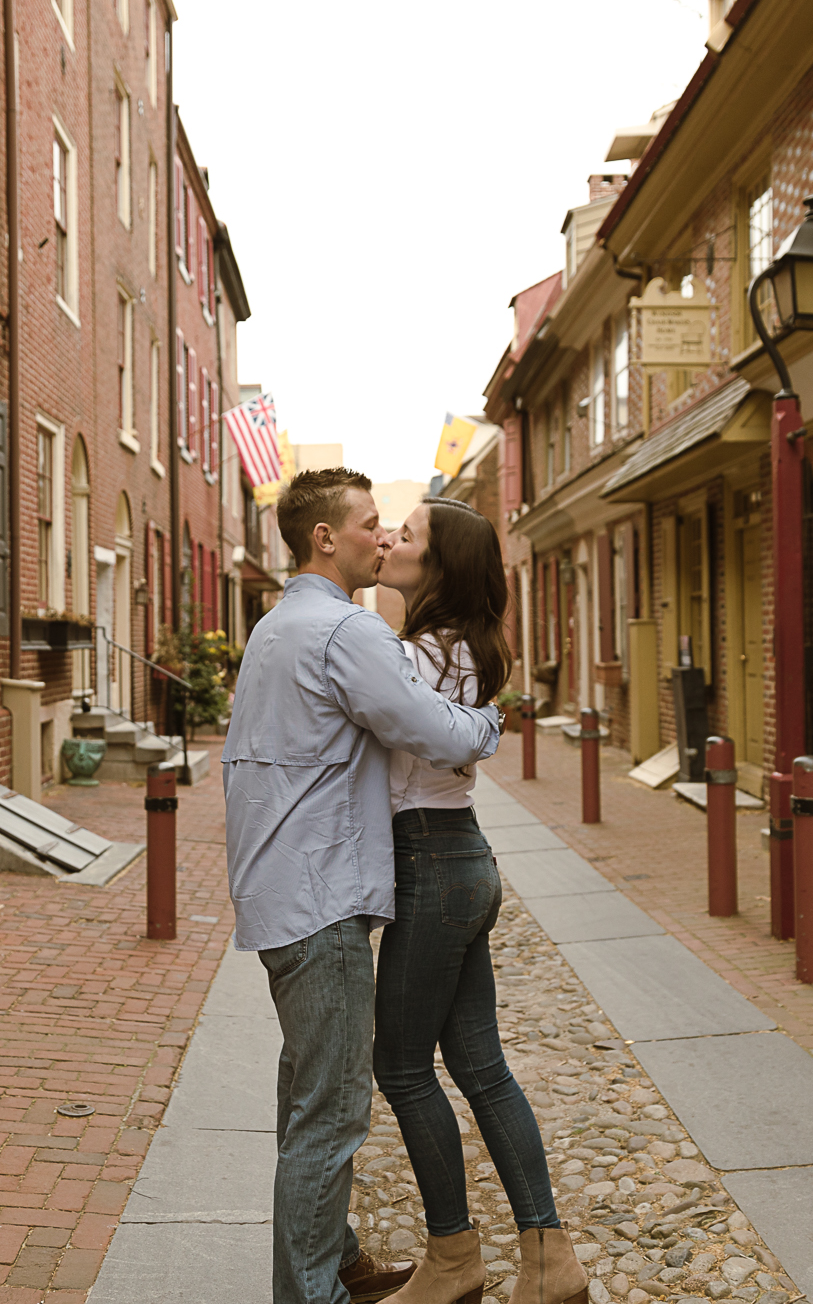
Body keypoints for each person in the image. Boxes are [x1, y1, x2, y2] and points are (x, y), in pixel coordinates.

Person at [223, 469, 504, 1304]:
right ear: (325, 538)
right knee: (332, 1108)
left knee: (306, 1091)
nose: (381, 538)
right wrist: (490, 719)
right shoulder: (348, 631)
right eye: (371, 525)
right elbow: (431, 725)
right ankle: (314, 1293)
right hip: (322, 897)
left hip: (280, 890)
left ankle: (336, 1257)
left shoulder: (274, 626)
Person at [371, 498, 586, 1304]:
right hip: (465, 856)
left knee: (398, 1062)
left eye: (409, 534)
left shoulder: (419, 656)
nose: (391, 537)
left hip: (431, 859)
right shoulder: (464, 649)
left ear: (439, 567)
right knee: (480, 1064)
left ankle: (455, 1255)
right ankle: (548, 1257)